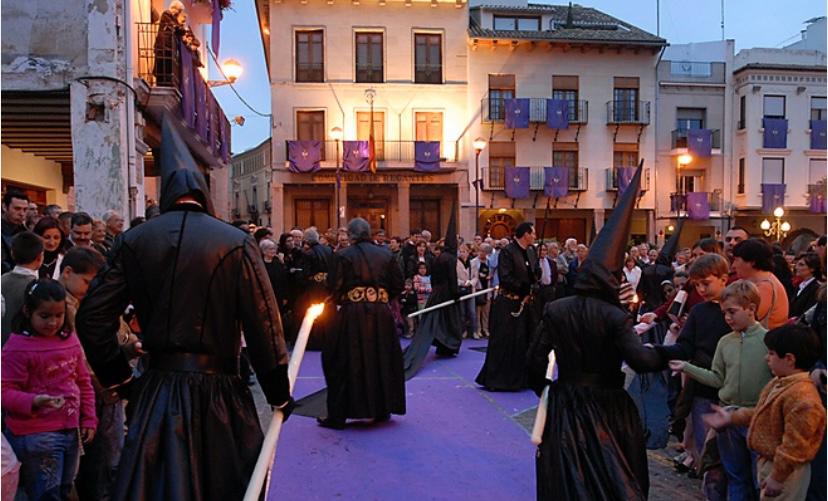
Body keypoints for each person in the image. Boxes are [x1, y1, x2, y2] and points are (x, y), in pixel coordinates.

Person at [75, 117, 292, 500]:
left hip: (157, 389)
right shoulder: (237, 243)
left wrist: (120, 381)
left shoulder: (133, 241)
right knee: (224, 485)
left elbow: (92, 316)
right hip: (220, 393)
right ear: (203, 192)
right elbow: (264, 325)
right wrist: (278, 391)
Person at [527, 164, 663, 500]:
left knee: (566, 478)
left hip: (567, 402)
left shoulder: (556, 310)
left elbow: (533, 360)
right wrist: (675, 352)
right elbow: (641, 361)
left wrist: (548, 391)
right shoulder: (615, 317)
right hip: (609, 407)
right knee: (614, 477)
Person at [669, 280, 772, 500]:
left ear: (751, 308)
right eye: (725, 313)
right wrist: (686, 367)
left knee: (759, 479)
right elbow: (717, 378)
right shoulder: (725, 342)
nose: (727, 318)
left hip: (757, 420)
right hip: (728, 419)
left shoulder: (768, 341)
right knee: (734, 476)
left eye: (732, 312)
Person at [704, 324, 826, 500]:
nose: (766, 358)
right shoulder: (781, 383)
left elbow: (795, 446)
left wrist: (777, 477)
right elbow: (765, 414)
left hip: (786, 470)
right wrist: (733, 417)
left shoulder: (803, 398)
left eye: (771, 354)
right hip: (771, 463)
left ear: (790, 359)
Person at [2, 279, 98, 500]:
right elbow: (4, 391)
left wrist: (89, 418)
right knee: (47, 494)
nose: (53, 322)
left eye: (59, 315)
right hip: (37, 433)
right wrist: (34, 401)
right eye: (45, 316)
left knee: (63, 489)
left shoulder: (69, 340)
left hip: (70, 428)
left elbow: (83, 381)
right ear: (28, 311)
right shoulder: (17, 348)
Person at [317, 218, 405, 429]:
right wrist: (380, 298)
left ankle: (338, 414)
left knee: (341, 359)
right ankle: (382, 408)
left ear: (351, 235)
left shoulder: (343, 255)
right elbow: (398, 284)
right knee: (382, 358)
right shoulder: (386, 254)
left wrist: (346, 299)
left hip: (353, 314)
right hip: (381, 314)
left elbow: (334, 287)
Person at [654, 253, 732, 477]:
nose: (701, 289)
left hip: (731, 389)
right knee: (704, 450)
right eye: (697, 285)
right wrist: (658, 352)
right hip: (702, 388)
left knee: (729, 454)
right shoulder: (699, 311)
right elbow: (686, 347)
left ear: (724, 279)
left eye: (705, 283)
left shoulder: (735, 308)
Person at [476, 222, 539, 391]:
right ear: (525, 234)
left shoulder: (532, 251)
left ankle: (523, 378)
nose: (534, 236)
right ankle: (498, 380)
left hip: (526, 303)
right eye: (532, 233)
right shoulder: (508, 252)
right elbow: (505, 277)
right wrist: (523, 286)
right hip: (508, 303)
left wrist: (535, 280)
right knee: (505, 341)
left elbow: (534, 272)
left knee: (525, 340)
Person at [732, 238, 789, 329]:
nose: (733, 265)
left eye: (736, 260)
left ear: (752, 262)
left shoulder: (766, 286)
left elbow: (745, 319)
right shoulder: (749, 281)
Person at [1, 232, 44, 345]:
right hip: (25, 348)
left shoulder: (2, 279)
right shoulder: (37, 287)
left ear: (12, 254)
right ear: (40, 257)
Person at [297, 228, 333, 350]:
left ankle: (315, 341)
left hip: (313, 288)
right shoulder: (329, 250)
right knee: (327, 314)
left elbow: (305, 274)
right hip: (327, 286)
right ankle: (328, 340)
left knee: (313, 314)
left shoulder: (308, 253)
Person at [1, 189, 29, 273]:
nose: (22, 213)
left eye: (25, 210)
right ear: (4, 207)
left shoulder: (25, 232)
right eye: (17, 209)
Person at [789, 252, 821, 319]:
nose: (796, 267)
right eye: (797, 264)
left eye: (801, 265)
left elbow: (807, 313)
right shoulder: (800, 285)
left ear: (812, 268)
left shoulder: (815, 288)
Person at [470, 243, 492, 339]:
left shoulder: (490, 261)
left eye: (484, 251)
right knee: (477, 311)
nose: (482, 253)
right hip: (478, 288)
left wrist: (490, 276)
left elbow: (493, 272)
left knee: (486, 312)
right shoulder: (473, 262)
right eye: (481, 251)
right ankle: (478, 330)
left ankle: (485, 329)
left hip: (487, 288)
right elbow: (471, 275)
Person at [457, 243, 477, 339]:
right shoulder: (456, 263)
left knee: (472, 312)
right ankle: (463, 330)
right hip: (461, 289)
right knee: (462, 312)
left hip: (470, 290)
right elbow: (454, 277)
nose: (462, 253)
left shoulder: (473, 263)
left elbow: (476, 277)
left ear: (468, 252)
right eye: (460, 251)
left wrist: (471, 282)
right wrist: (462, 282)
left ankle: (474, 331)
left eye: (464, 251)